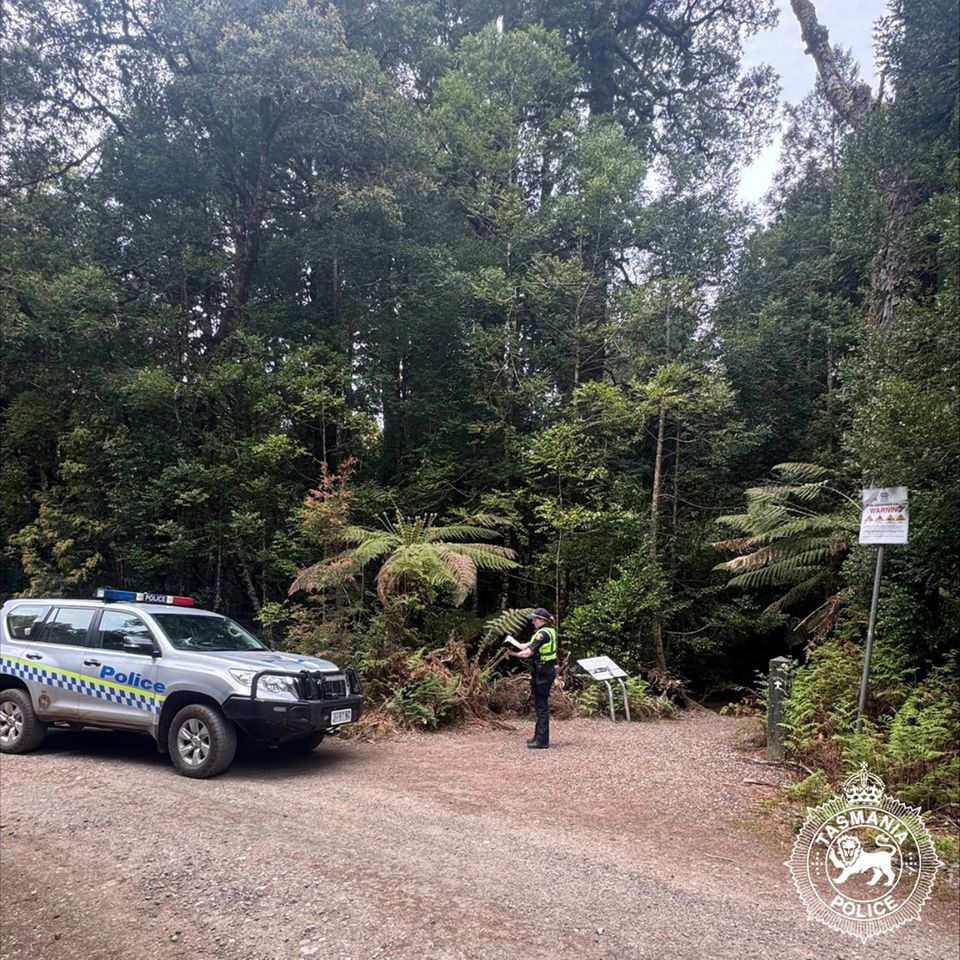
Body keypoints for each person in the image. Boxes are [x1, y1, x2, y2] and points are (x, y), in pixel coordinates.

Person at [506, 607, 558, 749]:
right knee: (539, 704)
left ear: (541, 620)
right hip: (543, 671)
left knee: (541, 706)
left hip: (543, 673)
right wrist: (512, 643)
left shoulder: (542, 634)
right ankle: (538, 736)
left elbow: (527, 653)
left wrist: (513, 654)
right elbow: (525, 646)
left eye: (534, 619)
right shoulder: (548, 631)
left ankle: (542, 740)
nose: (532, 621)